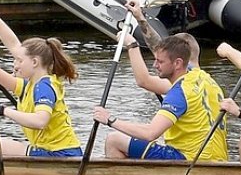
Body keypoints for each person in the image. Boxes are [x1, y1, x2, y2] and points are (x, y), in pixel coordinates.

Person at [0, 0, 82, 158]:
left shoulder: (44, 88)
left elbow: (40, 121)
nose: (15, 64)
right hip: (52, 150)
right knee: (6, 145)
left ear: (34, 62)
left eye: (19, 60)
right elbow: (9, 50)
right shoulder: (29, 85)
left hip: (61, 154)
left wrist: (5, 111)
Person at [92, 28, 227, 161]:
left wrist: (109, 120)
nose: (155, 66)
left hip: (189, 159)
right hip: (218, 158)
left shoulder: (179, 92)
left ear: (178, 63)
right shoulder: (209, 81)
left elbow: (150, 133)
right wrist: (140, 19)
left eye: (160, 62)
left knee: (114, 140)